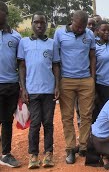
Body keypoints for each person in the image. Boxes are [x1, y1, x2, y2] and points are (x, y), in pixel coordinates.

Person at [18, 11, 60, 169]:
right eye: (36, 22)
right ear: (32, 24)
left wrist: (57, 86)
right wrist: (23, 88)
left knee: (48, 123)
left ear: (46, 24)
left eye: (42, 22)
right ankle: (33, 155)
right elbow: (21, 66)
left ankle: (48, 154)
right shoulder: (24, 42)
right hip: (32, 89)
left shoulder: (52, 43)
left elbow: (56, 65)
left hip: (49, 90)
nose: (40, 25)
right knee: (35, 123)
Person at [54, 10, 96, 164]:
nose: (81, 29)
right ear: (72, 20)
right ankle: (70, 148)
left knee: (86, 115)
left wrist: (92, 78)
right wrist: (57, 83)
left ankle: (83, 146)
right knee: (67, 117)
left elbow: (92, 56)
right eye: (78, 26)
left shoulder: (89, 34)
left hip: (86, 80)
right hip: (67, 80)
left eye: (83, 27)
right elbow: (56, 61)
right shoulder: (59, 34)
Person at [0, 1, 22, 168]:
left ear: (5, 14)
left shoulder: (16, 36)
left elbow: (21, 64)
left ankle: (6, 154)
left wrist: (22, 86)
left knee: (7, 120)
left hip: (11, 85)